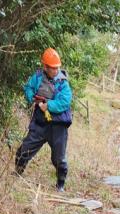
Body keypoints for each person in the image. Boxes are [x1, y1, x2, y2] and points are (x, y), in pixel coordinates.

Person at [14, 48, 73, 193]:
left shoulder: (63, 83)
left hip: (58, 125)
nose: (55, 70)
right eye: (52, 68)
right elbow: (28, 88)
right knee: (24, 149)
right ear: (45, 67)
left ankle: (60, 184)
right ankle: (17, 173)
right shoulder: (38, 77)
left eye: (57, 67)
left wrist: (49, 105)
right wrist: (32, 98)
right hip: (40, 122)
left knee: (59, 158)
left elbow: (65, 101)